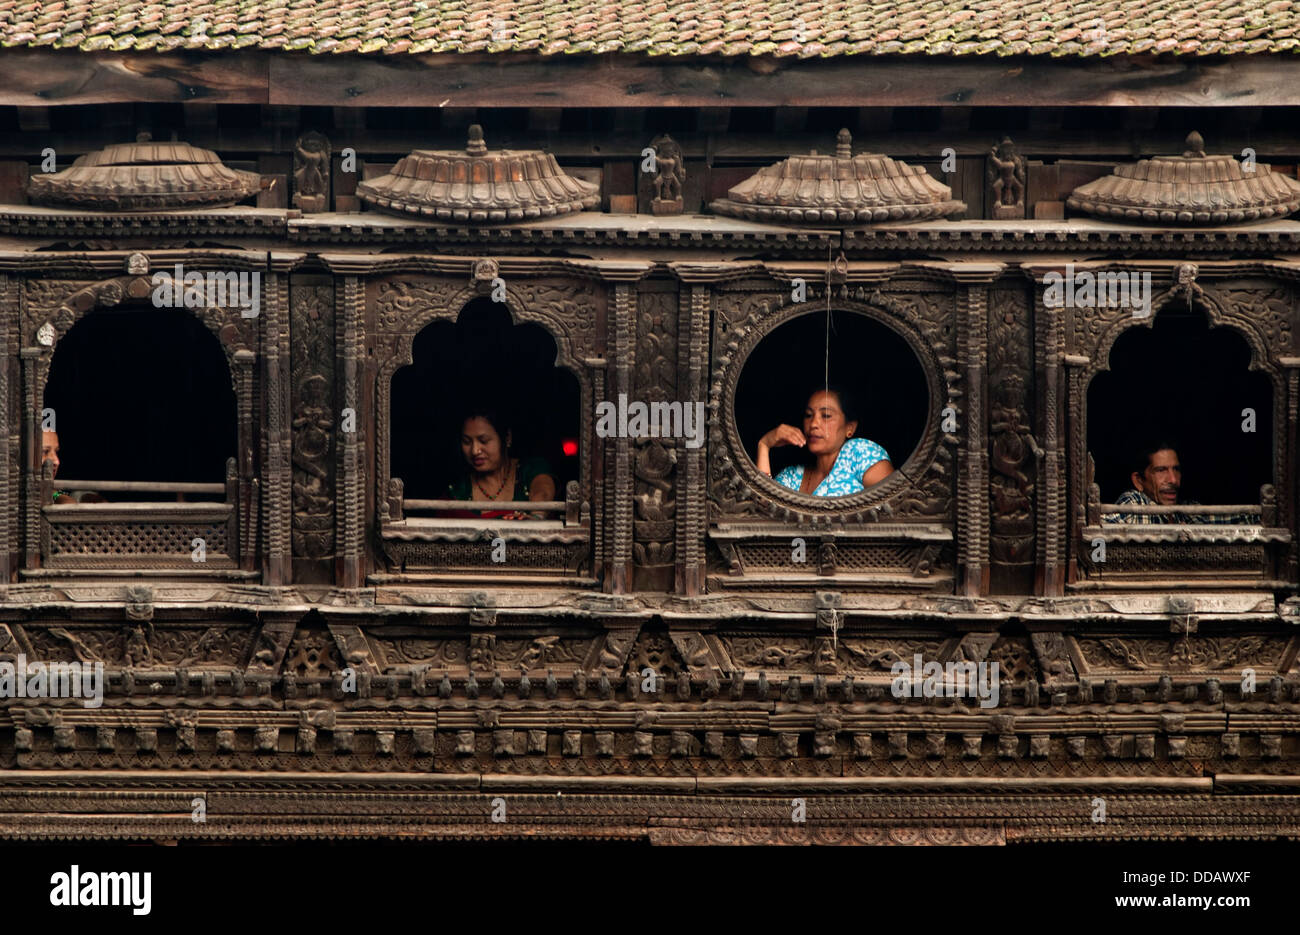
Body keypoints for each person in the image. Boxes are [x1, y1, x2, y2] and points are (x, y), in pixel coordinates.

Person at [755, 385, 894, 496]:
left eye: (826, 415)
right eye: (809, 415)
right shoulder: (791, 477)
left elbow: (893, 508)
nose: (814, 423)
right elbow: (762, 510)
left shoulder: (859, 453)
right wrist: (764, 445)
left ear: (850, 428)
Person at [445, 406, 557, 519]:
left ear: (507, 438)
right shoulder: (458, 490)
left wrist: (536, 518)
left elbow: (543, 491)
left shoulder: (530, 469)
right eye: (467, 442)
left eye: (483, 441)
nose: (475, 451)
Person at [1103, 442, 1256, 524]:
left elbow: (1243, 519)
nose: (1173, 480)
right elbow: (1101, 528)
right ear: (1139, 481)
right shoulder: (1136, 502)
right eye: (1161, 470)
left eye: (1176, 469)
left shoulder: (1188, 513)